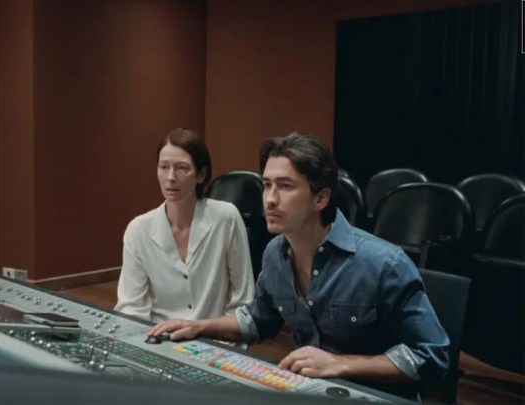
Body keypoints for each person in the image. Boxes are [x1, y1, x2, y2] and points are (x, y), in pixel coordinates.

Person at [148, 132, 449, 400]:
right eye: (266, 185)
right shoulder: (275, 254)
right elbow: (257, 320)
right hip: (309, 392)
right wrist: (199, 326)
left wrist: (340, 364)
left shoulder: (383, 264)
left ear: (321, 198)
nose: (270, 199)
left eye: (285, 186)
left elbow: (432, 355)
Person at [114, 128, 255, 323]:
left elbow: (243, 301)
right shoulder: (138, 230)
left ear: (201, 174)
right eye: (164, 167)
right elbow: (131, 307)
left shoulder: (226, 218)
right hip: (158, 334)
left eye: (182, 168)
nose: (171, 177)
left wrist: (215, 332)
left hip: (214, 334)